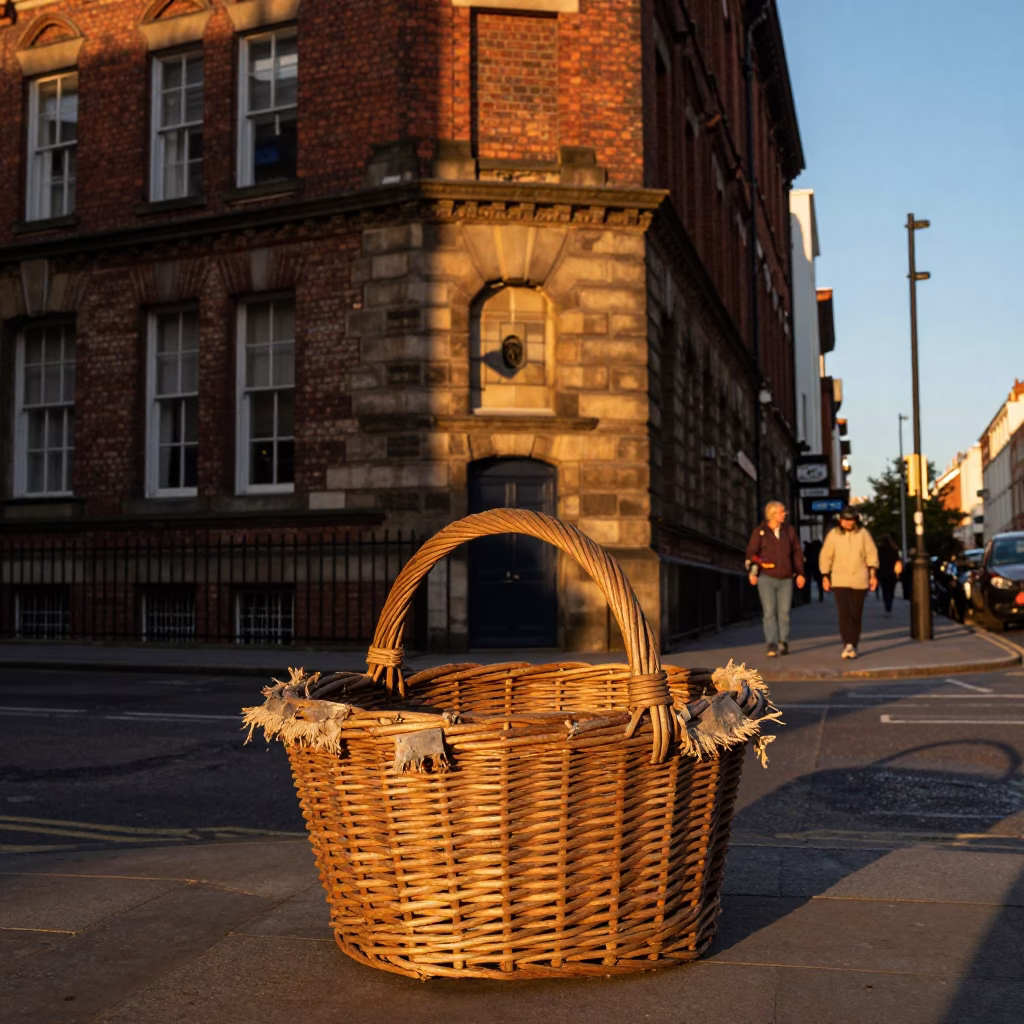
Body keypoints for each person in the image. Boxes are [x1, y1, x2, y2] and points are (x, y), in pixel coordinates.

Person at [745, 500, 806, 657]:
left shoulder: (789, 531)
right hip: (766, 577)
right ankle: (771, 643)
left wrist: (800, 573)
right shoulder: (760, 532)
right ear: (772, 515)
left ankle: (783, 641)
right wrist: (753, 572)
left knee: (784, 612)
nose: (785, 514)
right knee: (769, 612)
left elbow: (797, 553)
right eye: (782, 512)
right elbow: (751, 553)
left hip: (786, 577)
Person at [819, 506, 879, 659]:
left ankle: (854, 642)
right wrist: (825, 576)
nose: (847, 523)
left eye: (850, 520)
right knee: (844, 613)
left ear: (855, 520)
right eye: (844, 520)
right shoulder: (833, 534)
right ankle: (848, 644)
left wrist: (873, 575)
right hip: (840, 579)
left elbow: (871, 554)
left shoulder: (863, 534)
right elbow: (826, 555)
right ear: (840, 520)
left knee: (856, 614)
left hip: (860, 578)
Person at [875, 534, 903, 615]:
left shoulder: (880, 550)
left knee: (885, 589)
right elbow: (898, 561)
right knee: (891, 589)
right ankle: (890, 602)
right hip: (892, 572)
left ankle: (887, 605)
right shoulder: (894, 549)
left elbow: (877, 561)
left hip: (882, 572)